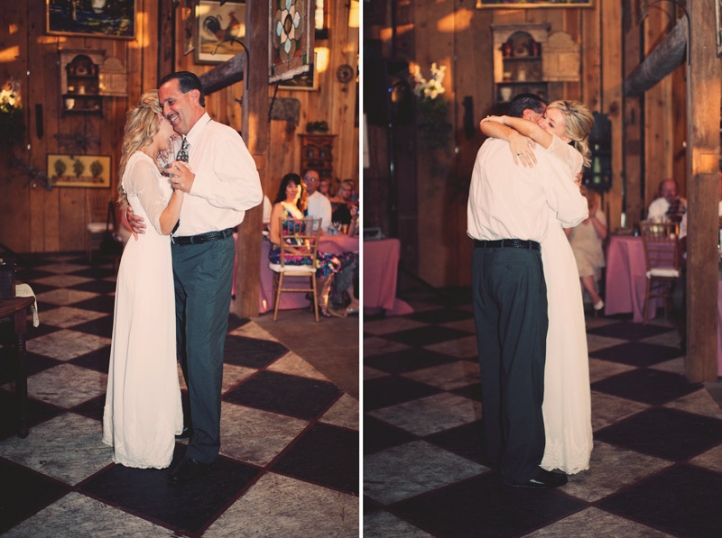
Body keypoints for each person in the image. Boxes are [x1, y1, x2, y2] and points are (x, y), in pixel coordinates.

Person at [127, 72, 263, 486]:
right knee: (182, 345)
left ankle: (204, 447)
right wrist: (130, 209)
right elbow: (148, 185)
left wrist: (195, 183)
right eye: (163, 105)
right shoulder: (175, 142)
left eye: (171, 101)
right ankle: (192, 418)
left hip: (210, 253)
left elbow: (252, 194)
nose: (167, 110)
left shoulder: (223, 138)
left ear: (195, 97)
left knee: (202, 350)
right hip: (171, 254)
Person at [468, 94, 588, 488]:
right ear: (529, 117)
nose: (541, 127)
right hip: (518, 263)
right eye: (542, 119)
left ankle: (496, 449)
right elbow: (574, 213)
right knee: (523, 364)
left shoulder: (488, 147)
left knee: (493, 360)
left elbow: (490, 124)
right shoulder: (540, 155)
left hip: (481, 262)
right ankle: (520, 466)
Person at [102, 91, 184, 469]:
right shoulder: (141, 165)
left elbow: (139, 203)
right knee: (147, 345)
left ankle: (148, 423)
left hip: (150, 261)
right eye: (168, 120)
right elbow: (165, 223)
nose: (174, 128)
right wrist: (182, 186)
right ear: (154, 123)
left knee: (149, 341)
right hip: (148, 264)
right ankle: (141, 438)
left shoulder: (146, 161)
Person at [269, 173, 341, 317]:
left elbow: (302, 236)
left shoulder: (299, 210)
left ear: (301, 188)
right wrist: (294, 251)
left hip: (299, 251)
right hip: (283, 252)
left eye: (296, 186)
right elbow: (273, 238)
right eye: (290, 186)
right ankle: (319, 301)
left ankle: (317, 298)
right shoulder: (279, 206)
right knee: (326, 264)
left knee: (333, 262)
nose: (294, 189)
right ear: (284, 189)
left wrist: (306, 245)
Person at [567, 186, 607, 311]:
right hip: (574, 256)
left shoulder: (598, 214)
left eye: (584, 196)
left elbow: (603, 235)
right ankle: (595, 297)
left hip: (592, 255)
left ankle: (579, 315)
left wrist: (593, 217)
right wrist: (571, 218)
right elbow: (565, 237)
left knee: (578, 268)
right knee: (577, 259)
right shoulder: (570, 214)